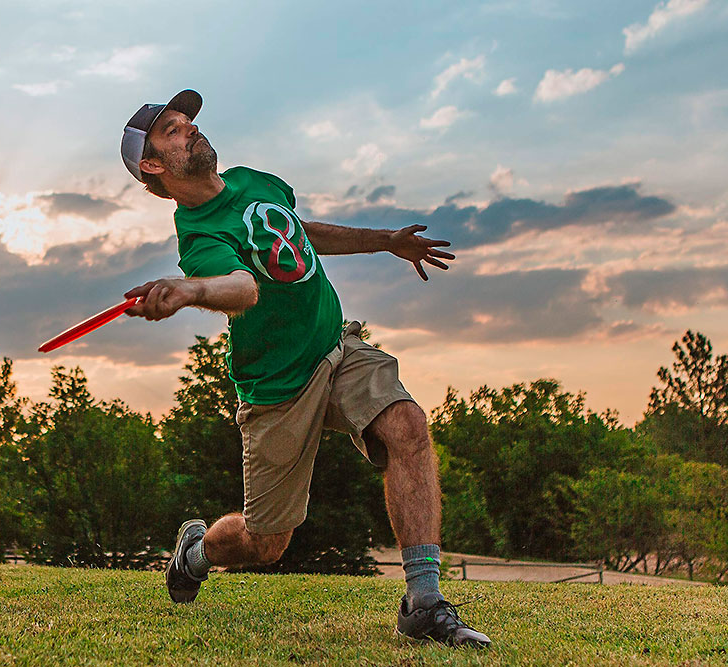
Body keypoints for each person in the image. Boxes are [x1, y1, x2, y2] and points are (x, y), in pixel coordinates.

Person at [119, 90, 490, 648]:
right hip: (278, 388)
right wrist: (191, 289)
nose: (190, 130)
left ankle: (424, 602)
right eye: (172, 130)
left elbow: (298, 233)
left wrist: (383, 242)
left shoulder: (255, 181)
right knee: (265, 543)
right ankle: (194, 554)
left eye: (188, 122)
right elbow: (242, 288)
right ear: (151, 165)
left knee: (407, 426)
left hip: (334, 345)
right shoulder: (199, 234)